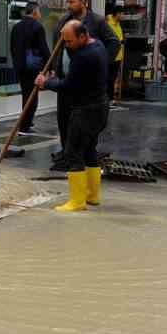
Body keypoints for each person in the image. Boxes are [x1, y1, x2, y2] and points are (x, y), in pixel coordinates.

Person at [36, 20, 110, 213]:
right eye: (64, 40)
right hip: (100, 107)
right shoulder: (98, 46)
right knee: (89, 151)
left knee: (73, 152)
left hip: (85, 110)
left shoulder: (84, 57)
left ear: (82, 36)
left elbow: (68, 87)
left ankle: (77, 202)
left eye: (69, 41)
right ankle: (92, 196)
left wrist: (46, 82)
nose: (66, 45)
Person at [51, 0, 116, 170]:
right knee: (64, 120)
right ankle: (66, 155)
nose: (68, 5)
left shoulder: (97, 21)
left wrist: (100, 65)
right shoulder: (64, 21)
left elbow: (114, 42)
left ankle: (76, 159)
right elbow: (57, 46)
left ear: (84, 2)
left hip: (85, 86)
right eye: (68, 2)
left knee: (81, 127)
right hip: (66, 78)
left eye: (72, 2)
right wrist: (53, 68)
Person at [10, 2, 50, 136]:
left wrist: (16, 63)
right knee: (32, 97)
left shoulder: (16, 27)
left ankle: (26, 122)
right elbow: (44, 48)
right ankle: (25, 126)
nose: (40, 14)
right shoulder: (37, 27)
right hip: (33, 67)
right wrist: (50, 66)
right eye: (39, 11)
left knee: (26, 94)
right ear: (34, 12)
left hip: (20, 66)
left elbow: (12, 48)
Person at [105, 3, 126, 105]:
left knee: (113, 78)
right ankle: (108, 98)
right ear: (117, 14)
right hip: (110, 56)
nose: (123, 16)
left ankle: (111, 98)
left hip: (118, 55)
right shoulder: (108, 23)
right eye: (122, 14)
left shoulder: (118, 24)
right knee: (109, 77)